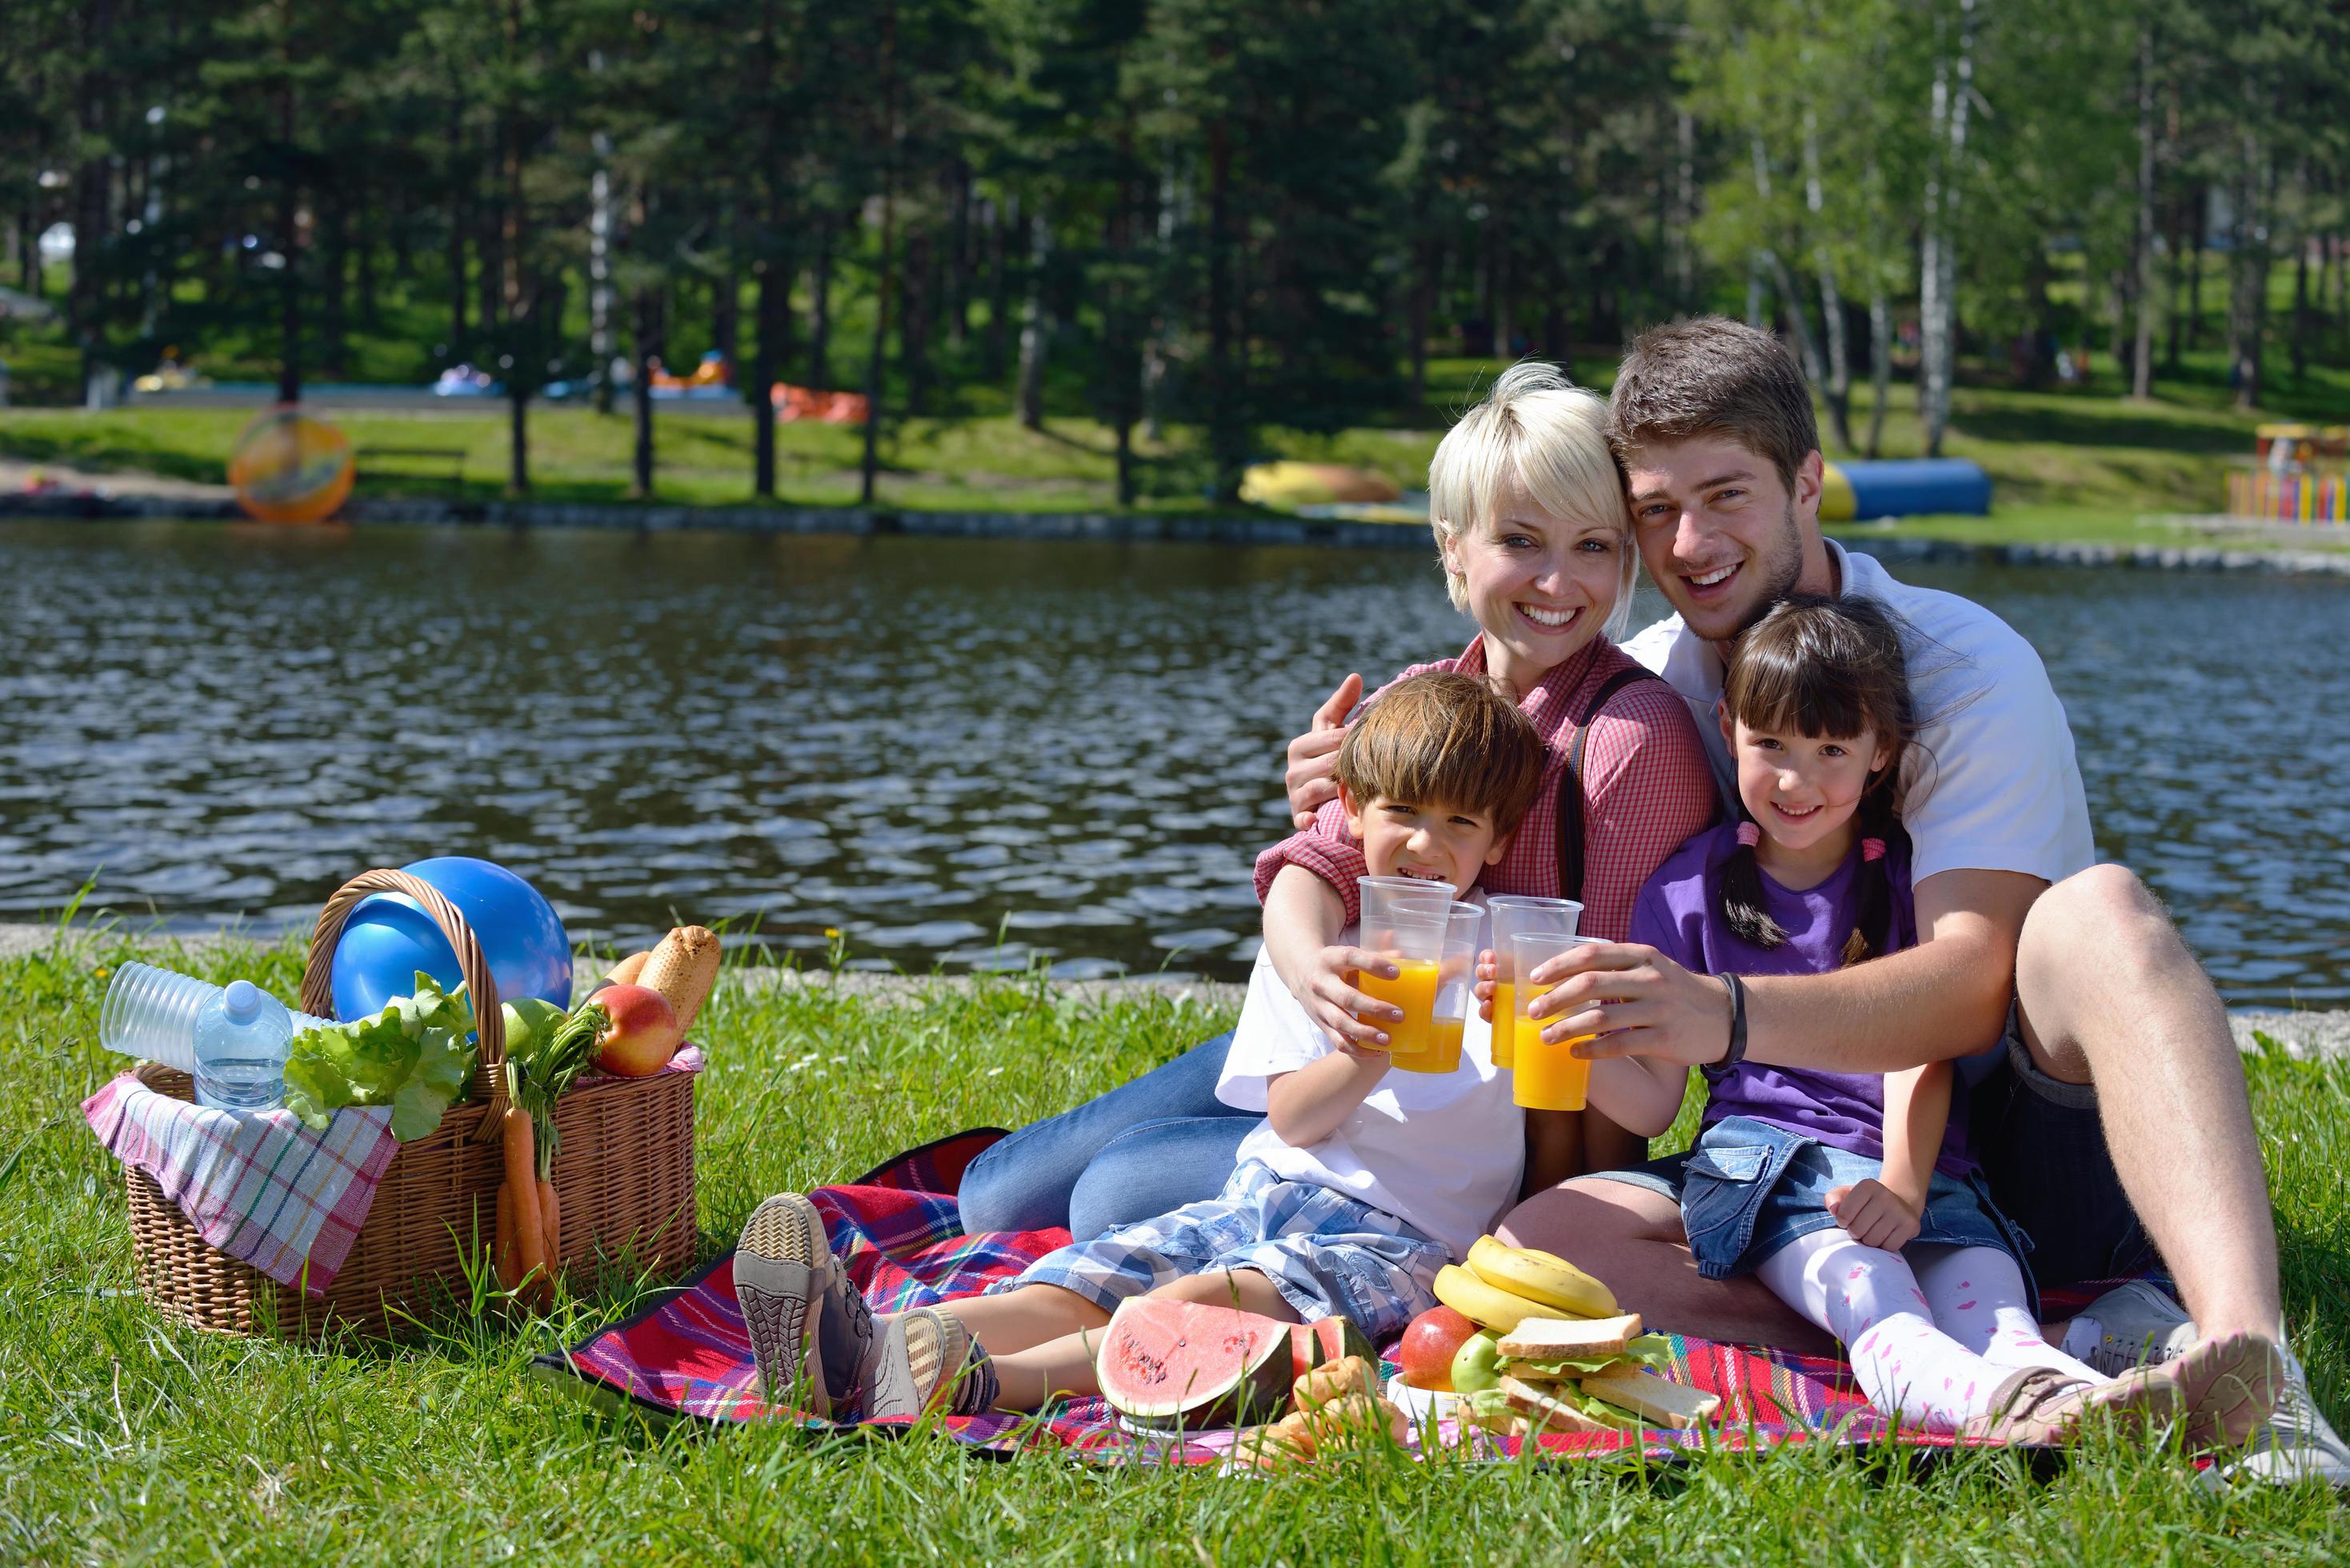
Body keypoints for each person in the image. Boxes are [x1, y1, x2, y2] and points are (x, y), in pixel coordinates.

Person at [1279, 317, 2335, 1482]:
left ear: (1808, 484)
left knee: (2103, 913)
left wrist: (1720, 1015)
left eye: (1725, 494)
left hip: (2019, 1151)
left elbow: (1973, 983)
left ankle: (2250, 1366)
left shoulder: (1962, 662)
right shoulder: (1666, 680)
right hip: (1788, 1165)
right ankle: (1987, 1354)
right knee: (1533, 1245)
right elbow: (1497, 765)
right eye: (1655, 509)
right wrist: (1358, 779)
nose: (1690, 541)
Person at [954, 362, 1716, 1240]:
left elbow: (1626, 1048)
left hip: (1469, 1138)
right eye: (1520, 541)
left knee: (1111, 1195)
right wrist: (1313, 971)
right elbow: (1312, 866)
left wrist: (1548, 1214)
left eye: (1593, 546)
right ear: (1452, 547)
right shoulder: (1423, 695)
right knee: (994, 1202)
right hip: (1355, 1044)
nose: (1558, 582)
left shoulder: (1630, 740)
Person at [734, 672, 1548, 1418]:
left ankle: (960, 1378)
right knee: (1093, 1277)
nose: (1423, 845)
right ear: (1352, 807)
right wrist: (1364, 1052)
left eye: (1459, 823)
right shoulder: (1324, 950)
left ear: (1500, 840)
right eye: (1403, 813)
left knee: (1193, 1305)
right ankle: (856, 1339)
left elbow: (1610, 1102)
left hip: (1399, 1241)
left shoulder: (1504, 963)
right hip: (1265, 1187)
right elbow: (1294, 1119)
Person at [1595, 592, 2265, 1441]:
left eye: (1832, 750)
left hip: (1933, 1176)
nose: (1797, 780)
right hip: (1774, 1172)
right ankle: (2006, 1415)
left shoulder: (1906, 878)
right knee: (1877, 1303)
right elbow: (1653, 1105)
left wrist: (1907, 1182)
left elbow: (1921, 1043)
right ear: (1727, 728)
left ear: (1881, 756)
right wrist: (1567, 1038)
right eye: (1770, 746)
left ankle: (2065, 1389)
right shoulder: (1687, 891)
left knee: (2000, 1313)